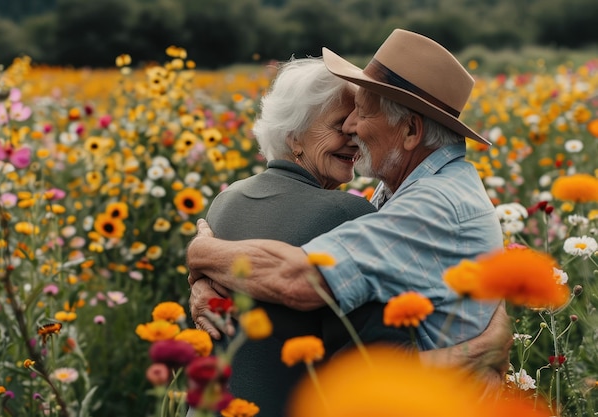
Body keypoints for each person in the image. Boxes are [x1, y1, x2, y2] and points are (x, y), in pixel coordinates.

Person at [189, 28, 511, 407]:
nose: (353, 128)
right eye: (344, 117)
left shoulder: (430, 202)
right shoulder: (403, 188)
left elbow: (298, 281)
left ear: (410, 131)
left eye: (363, 111)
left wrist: (199, 254)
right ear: (294, 137)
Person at [193, 57, 411, 417]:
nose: (354, 138)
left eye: (355, 125)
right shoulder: (346, 214)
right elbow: (380, 359)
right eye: (339, 127)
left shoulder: (225, 200)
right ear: (293, 137)